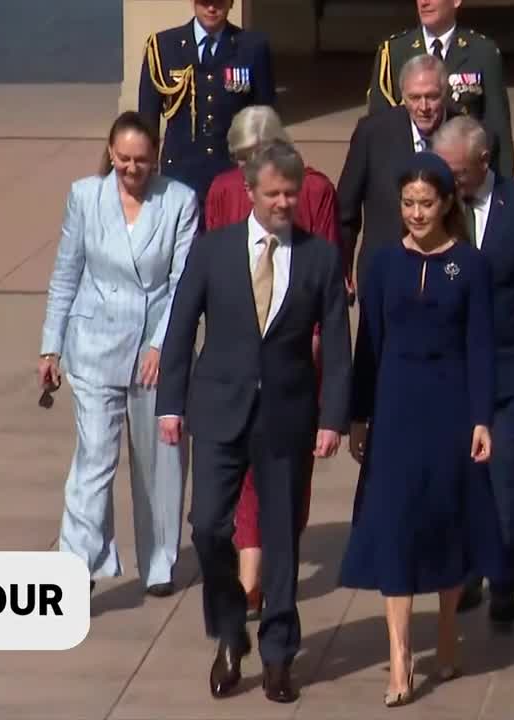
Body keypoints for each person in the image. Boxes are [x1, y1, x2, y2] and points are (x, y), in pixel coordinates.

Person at [156, 140, 352, 704]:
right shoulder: (212, 251)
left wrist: (333, 417)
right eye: (273, 194)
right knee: (207, 526)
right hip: (219, 410)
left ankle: (278, 655)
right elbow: (181, 326)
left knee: (280, 537)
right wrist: (170, 403)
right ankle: (228, 631)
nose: (284, 203)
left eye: (291, 194)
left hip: (287, 416)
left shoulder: (319, 258)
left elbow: (338, 344)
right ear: (249, 193)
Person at [339, 151, 501, 708]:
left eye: (425, 203)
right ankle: (401, 654)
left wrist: (482, 418)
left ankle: (448, 627)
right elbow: (369, 345)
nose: (415, 213)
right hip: (396, 409)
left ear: (447, 203)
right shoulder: (384, 264)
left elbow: (481, 346)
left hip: (451, 409)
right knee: (396, 524)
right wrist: (358, 415)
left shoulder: (470, 266)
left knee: (445, 520)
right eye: (408, 203)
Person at [38, 111, 197, 597]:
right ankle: (75, 565)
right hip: (93, 346)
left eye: (141, 160)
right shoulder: (85, 196)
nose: (131, 168)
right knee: (94, 459)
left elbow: (183, 283)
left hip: (153, 350)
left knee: (160, 461)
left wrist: (162, 345)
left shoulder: (180, 201)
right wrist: (50, 345)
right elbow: (66, 272)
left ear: (156, 156)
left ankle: (160, 562)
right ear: (110, 153)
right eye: (123, 158)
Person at [204, 105, 345, 620]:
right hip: (243, 361)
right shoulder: (223, 190)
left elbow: (328, 270)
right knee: (243, 475)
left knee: (288, 480)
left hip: (299, 358)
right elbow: (215, 268)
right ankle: (249, 581)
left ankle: (271, 571)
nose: (247, 166)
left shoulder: (316, 189)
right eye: (240, 158)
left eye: (255, 155)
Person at [431, 115, 514, 622]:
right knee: (465, 476)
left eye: (457, 173)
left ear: (483, 160)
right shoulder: (434, 206)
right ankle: (468, 573)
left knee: (506, 472)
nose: (448, 182)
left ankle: (506, 582)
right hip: (454, 370)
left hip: (511, 365)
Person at [138, 0, 276, 216]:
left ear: (231, 3)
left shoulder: (252, 47)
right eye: (205, 2)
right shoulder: (164, 46)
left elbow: (264, 117)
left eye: (219, 2)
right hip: (180, 172)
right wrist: (147, 169)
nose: (212, 9)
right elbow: (147, 119)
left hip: (232, 172)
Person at [339, 53, 452, 298]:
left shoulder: (465, 131)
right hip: (383, 272)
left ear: (445, 93)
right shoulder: (372, 133)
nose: (423, 107)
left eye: (432, 97)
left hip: (448, 272)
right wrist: (342, 269)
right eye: (414, 97)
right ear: (403, 96)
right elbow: (346, 211)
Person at [366, 0, 514, 178]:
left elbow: (498, 131)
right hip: (410, 177)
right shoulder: (394, 51)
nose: (424, 2)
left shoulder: (482, 52)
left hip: (463, 178)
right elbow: (377, 129)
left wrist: (503, 187)